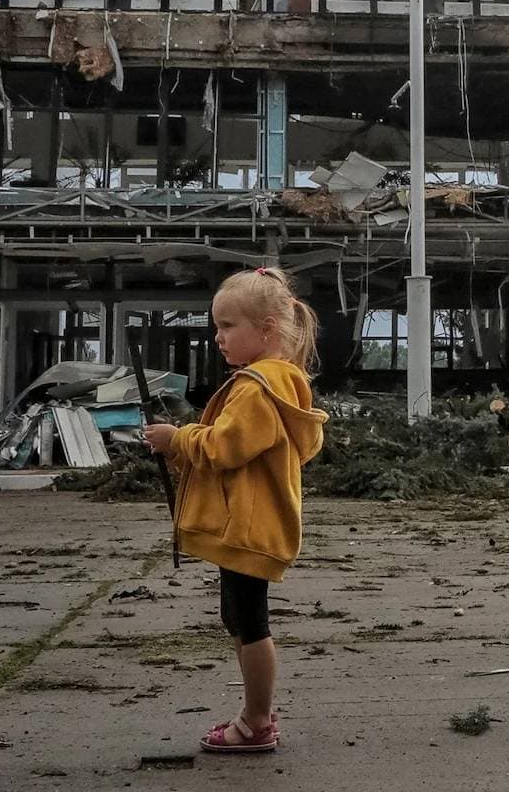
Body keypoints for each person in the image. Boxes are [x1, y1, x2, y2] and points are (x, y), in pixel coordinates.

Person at [143, 267, 327, 755]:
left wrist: (175, 438)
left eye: (228, 326)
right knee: (241, 619)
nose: (219, 337)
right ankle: (257, 711)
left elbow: (226, 447)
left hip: (249, 527)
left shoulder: (256, 386)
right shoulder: (280, 381)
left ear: (266, 327)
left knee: (250, 624)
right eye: (217, 326)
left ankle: (256, 720)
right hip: (255, 522)